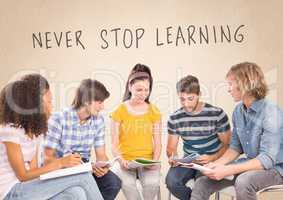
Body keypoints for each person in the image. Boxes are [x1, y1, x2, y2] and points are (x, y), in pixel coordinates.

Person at [0, 74, 103, 200]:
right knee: (84, 176)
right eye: (49, 102)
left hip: (27, 188)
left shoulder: (34, 133)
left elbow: (33, 172)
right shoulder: (9, 131)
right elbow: (23, 176)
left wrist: (64, 168)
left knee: (76, 193)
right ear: (34, 105)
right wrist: (60, 163)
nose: (52, 106)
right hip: (11, 192)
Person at [191, 62, 283, 200]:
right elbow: (235, 148)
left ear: (244, 84)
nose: (228, 89)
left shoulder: (271, 112)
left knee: (244, 181)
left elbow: (267, 160)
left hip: (275, 170)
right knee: (202, 183)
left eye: (230, 84)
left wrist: (227, 169)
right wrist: (216, 165)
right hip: (249, 165)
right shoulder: (238, 111)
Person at [44, 78, 121, 200]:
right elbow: (47, 157)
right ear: (86, 101)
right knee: (79, 192)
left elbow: (101, 154)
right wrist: (64, 163)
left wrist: (103, 166)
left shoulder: (98, 121)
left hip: (84, 166)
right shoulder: (59, 118)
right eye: (100, 102)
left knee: (113, 183)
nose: (103, 107)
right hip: (62, 166)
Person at [166, 75, 231, 200]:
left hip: (212, 159)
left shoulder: (217, 114)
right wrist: (173, 157)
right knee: (171, 182)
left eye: (190, 99)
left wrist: (213, 157)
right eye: (182, 99)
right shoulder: (175, 118)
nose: (186, 104)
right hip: (189, 161)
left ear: (199, 94)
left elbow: (228, 144)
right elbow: (171, 148)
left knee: (201, 186)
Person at [111, 63, 162, 200]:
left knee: (152, 184)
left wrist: (155, 161)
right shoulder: (119, 111)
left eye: (146, 90)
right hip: (125, 161)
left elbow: (158, 144)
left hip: (147, 161)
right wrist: (121, 160)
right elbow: (114, 144)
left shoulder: (154, 111)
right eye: (139, 90)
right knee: (127, 183)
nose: (143, 94)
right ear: (130, 87)